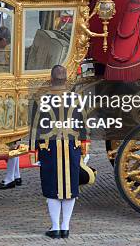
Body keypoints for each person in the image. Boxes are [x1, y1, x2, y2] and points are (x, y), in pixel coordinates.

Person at [29, 65, 89, 238]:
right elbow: (84, 126)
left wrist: (34, 152)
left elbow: (35, 129)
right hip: (72, 145)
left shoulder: (41, 99)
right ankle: (65, 226)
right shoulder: (77, 98)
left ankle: (55, 227)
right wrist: (85, 148)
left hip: (49, 147)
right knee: (70, 186)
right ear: (66, 79)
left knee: (51, 185)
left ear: (51, 78)